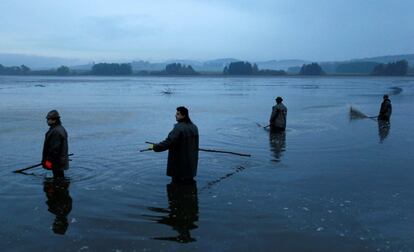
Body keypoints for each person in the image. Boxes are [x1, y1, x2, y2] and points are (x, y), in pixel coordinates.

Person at [151, 106, 199, 184]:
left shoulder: (178, 128)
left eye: (178, 114)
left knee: (176, 187)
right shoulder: (194, 127)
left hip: (180, 166)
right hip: (191, 166)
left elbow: (169, 142)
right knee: (189, 185)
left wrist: (156, 147)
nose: (175, 115)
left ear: (183, 115)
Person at [42, 110, 69, 178]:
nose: (47, 121)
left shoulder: (56, 131)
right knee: (59, 177)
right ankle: (61, 187)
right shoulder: (59, 128)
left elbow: (54, 149)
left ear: (54, 120)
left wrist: (48, 160)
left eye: (48, 119)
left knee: (58, 177)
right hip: (60, 160)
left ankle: (59, 187)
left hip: (56, 161)